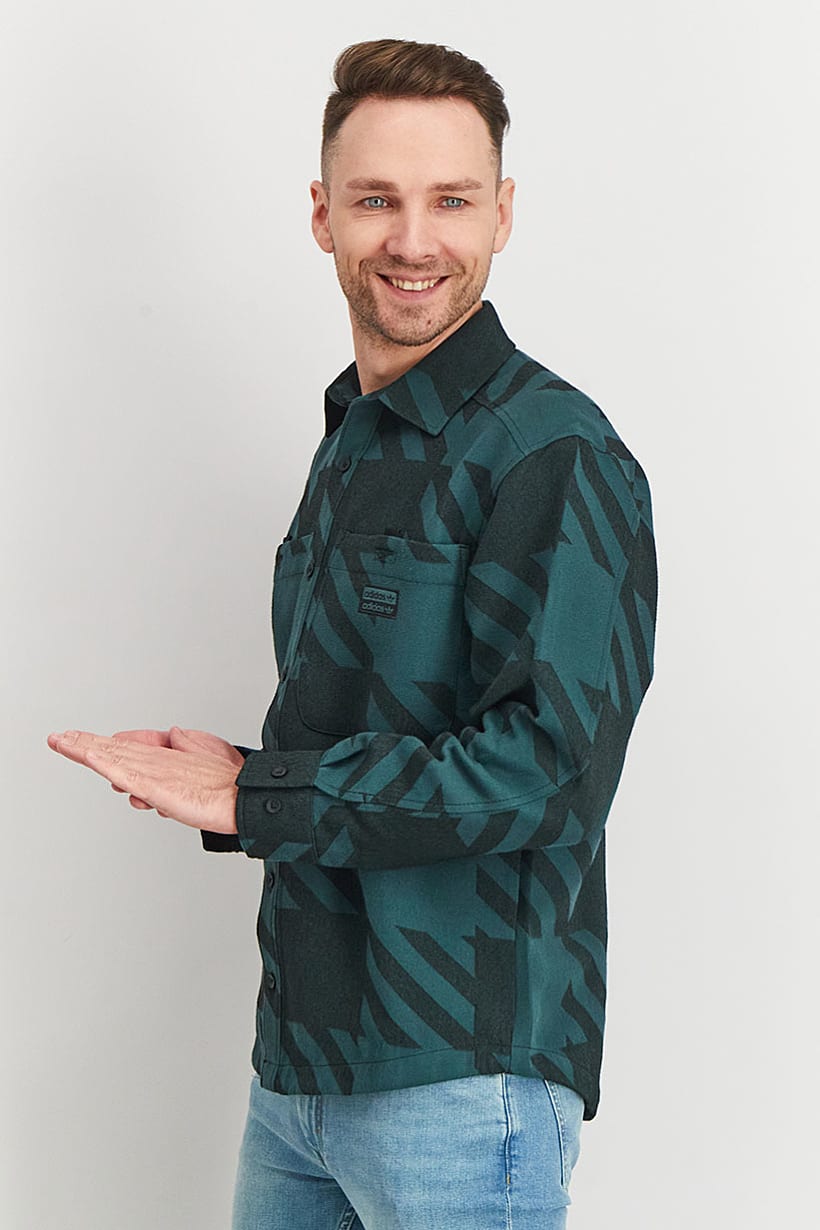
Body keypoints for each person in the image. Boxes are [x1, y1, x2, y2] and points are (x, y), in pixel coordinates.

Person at [48, 38, 657, 1229]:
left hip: (460, 1083)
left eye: (451, 201)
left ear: (503, 214)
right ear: (323, 215)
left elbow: (550, 770)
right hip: (300, 1077)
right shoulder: (353, 440)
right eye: (376, 199)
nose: (413, 240)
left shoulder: (552, 451)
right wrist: (241, 775)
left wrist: (260, 796)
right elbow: (393, 729)